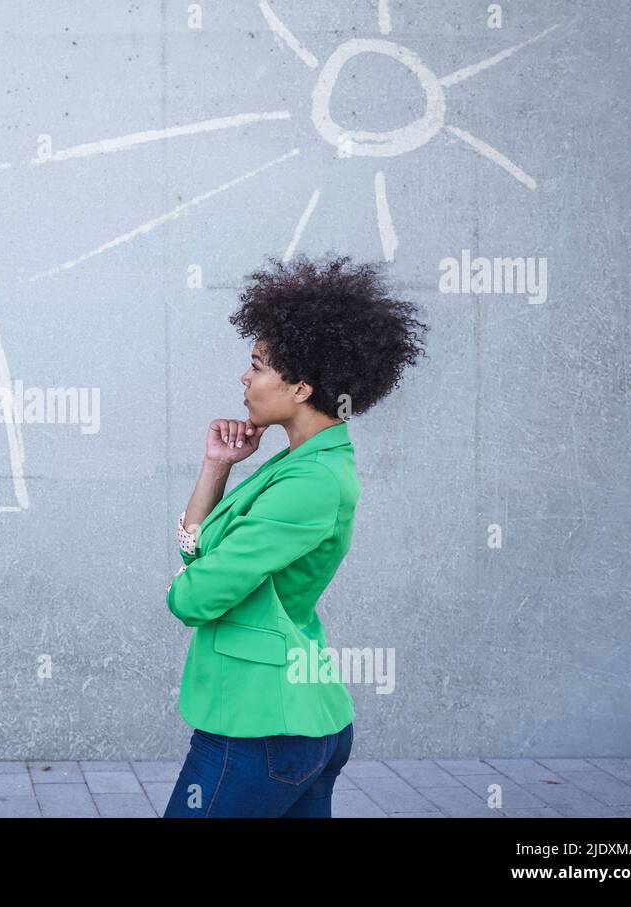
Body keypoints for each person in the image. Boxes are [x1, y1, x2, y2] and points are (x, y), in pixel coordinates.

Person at [162, 253, 427, 818]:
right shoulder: (297, 464)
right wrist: (217, 466)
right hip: (290, 724)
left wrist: (187, 583)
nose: (245, 377)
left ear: (302, 387)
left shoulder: (310, 482)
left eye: (257, 365)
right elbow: (201, 550)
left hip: (260, 727)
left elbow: (195, 596)